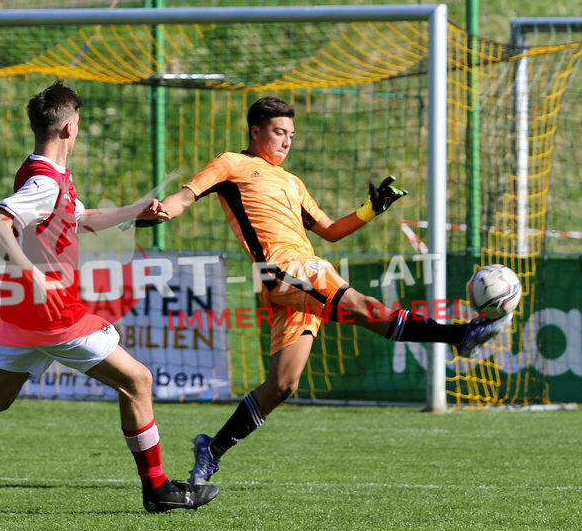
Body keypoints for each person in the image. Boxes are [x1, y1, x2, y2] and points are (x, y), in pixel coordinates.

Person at [0, 81, 218, 513]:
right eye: (79, 122)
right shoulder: (45, 182)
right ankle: (157, 489)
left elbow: (83, 218)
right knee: (137, 381)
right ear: (70, 128)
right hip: (54, 314)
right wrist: (31, 272)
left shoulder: (48, 175)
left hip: (25, 315)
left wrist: (134, 211)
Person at [155, 96, 512, 485]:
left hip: (297, 277)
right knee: (366, 307)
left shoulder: (292, 182)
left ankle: (212, 450)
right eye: (279, 132)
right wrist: (159, 210)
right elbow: (186, 196)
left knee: (283, 385)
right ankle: (459, 335)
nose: (286, 141)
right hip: (283, 270)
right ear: (256, 131)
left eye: (291, 135)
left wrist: (371, 210)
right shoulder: (231, 164)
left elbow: (328, 230)